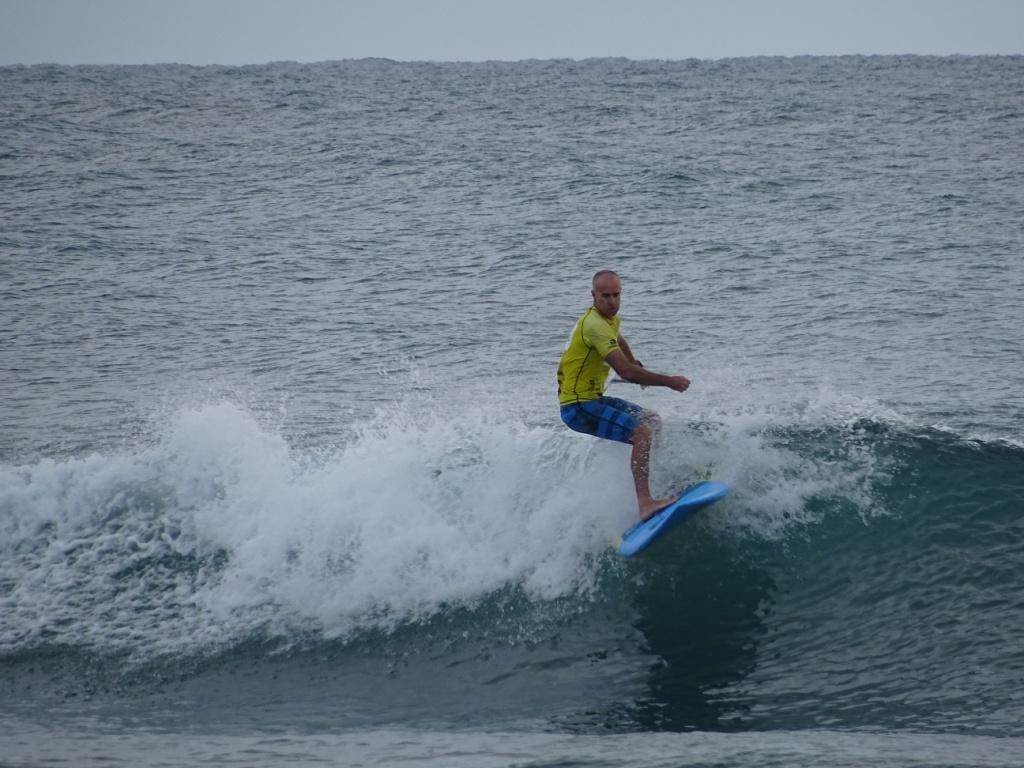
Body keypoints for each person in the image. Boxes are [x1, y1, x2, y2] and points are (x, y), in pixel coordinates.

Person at [557, 270, 690, 521]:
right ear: (593, 295)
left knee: (651, 420)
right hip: (578, 406)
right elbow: (626, 373)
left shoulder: (607, 319)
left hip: (592, 400)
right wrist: (668, 381)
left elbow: (617, 337)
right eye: (605, 296)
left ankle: (660, 483)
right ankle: (645, 503)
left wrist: (632, 359)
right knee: (642, 433)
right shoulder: (594, 325)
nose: (612, 301)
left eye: (616, 295)